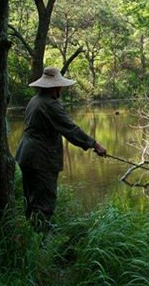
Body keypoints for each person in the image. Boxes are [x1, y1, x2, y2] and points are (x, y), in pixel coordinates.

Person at [15, 67, 106, 231]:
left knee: (32, 200)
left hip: (27, 156)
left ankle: (32, 238)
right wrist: (95, 144)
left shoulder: (35, 100)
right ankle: (43, 244)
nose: (61, 89)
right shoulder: (49, 104)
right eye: (60, 86)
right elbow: (71, 130)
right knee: (45, 202)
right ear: (54, 87)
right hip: (40, 159)